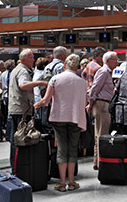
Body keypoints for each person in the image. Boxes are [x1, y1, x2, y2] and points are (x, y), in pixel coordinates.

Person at [34, 54, 88, 192]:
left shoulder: (55, 79)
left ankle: (62, 183)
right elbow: (85, 102)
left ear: (65, 65)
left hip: (59, 118)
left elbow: (46, 101)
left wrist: (38, 104)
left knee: (62, 149)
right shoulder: (83, 82)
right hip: (76, 118)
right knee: (73, 149)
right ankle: (72, 182)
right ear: (77, 67)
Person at [6, 49, 48, 160]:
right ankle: (20, 164)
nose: (33, 59)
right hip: (22, 109)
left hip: (15, 108)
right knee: (22, 138)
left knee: (15, 137)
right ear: (24, 59)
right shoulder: (23, 71)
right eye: (31, 57)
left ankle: (15, 165)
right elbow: (23, 85)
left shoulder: (16, 69)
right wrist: (40, 82)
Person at [88, 51, 118, 170]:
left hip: (102, 104)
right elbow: (95, 88)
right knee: (102, 134)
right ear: (107, 61)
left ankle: (97, 162)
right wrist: (90, 103)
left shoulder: (108, 72)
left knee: (99, 134)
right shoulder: (104, 71)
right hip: (102, 105)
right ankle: (101, 163)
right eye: (114, 60)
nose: (117, 62)